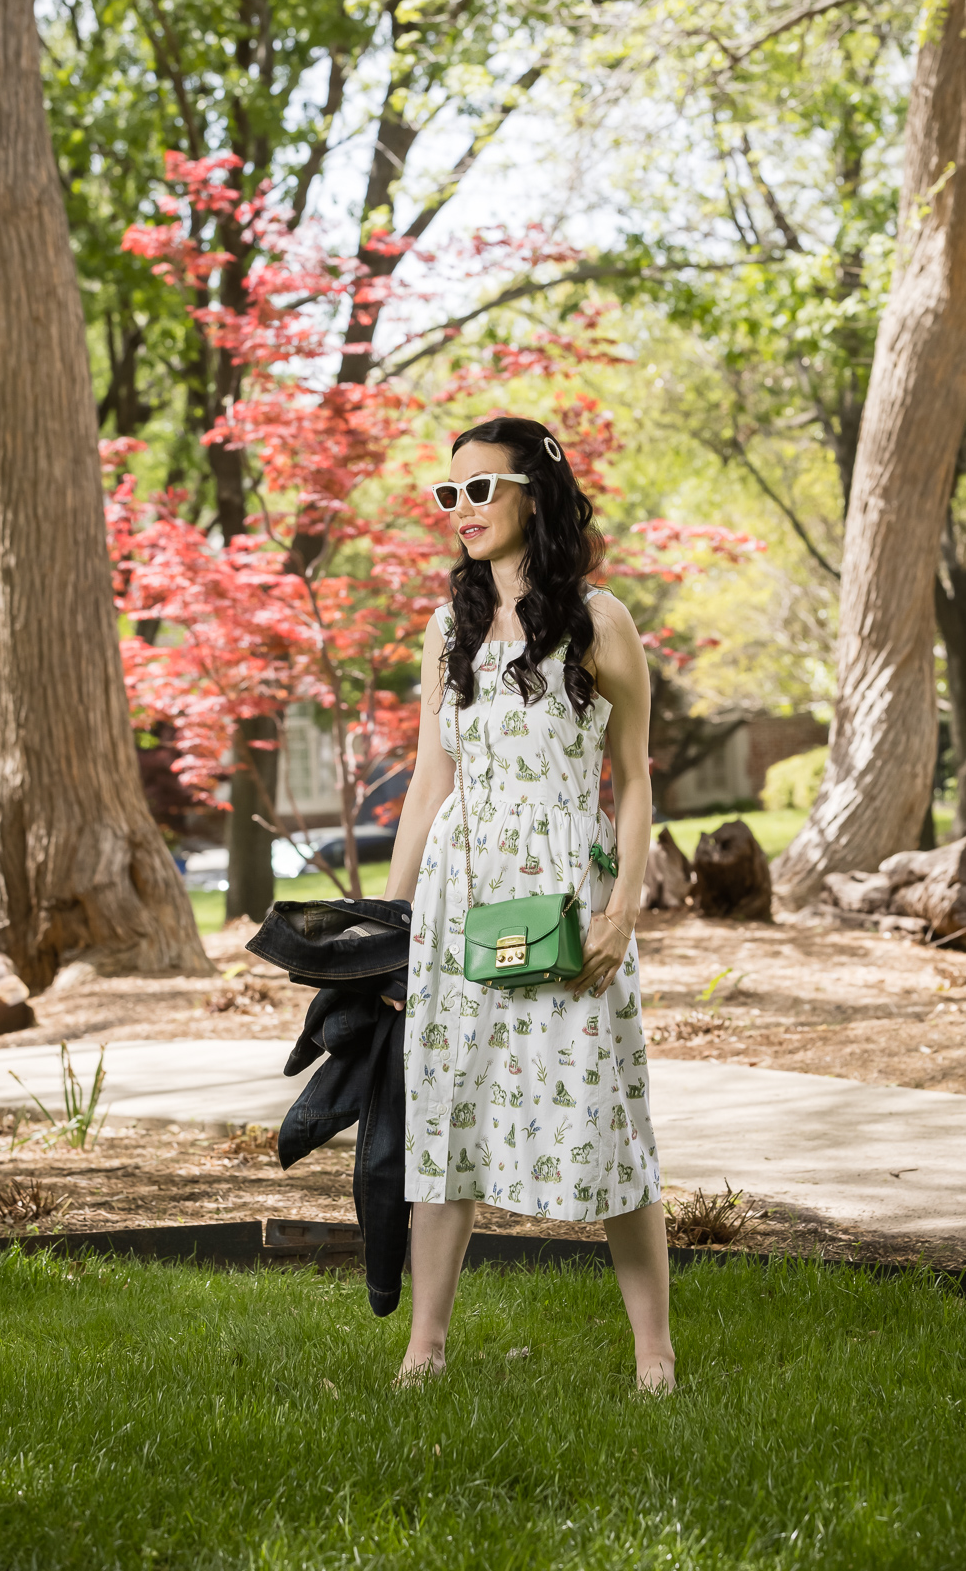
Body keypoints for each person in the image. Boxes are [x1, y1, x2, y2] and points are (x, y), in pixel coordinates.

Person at [383, 414, 674, 1389]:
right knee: (445, 1121)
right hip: (459, 900)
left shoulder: (600, 620)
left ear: (535, 495)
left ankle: (653, 1355)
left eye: (481, 490)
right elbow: (429, 783)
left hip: (566, 896)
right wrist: (390, 926)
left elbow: (631, 781)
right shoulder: (446, 630)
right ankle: (425, 1347)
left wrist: (622, 908)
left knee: (605, 1117)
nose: (461, 511)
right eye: (448, 495)